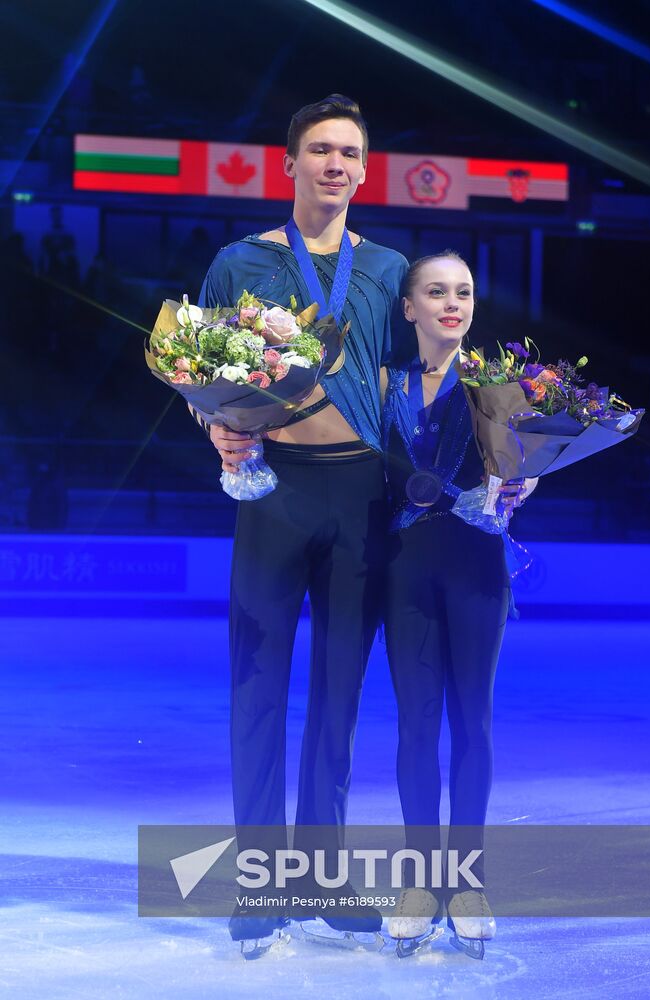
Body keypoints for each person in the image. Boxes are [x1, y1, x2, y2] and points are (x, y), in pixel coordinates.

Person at [194, 94, 408, 950]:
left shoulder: (391, 270)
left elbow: (412, 388)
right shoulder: (239, 262)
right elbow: (196, 371)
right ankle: (259, 884)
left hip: (363, 497)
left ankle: (321, 878)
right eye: (319, 149)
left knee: (338, 698)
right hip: (273, 492)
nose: (333, 164)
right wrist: (212, 428)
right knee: (256, 687)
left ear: (363, 170)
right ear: (289, 162)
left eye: (348, 152)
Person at [381, 252, 536, 958]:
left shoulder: (497, 386)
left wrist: (524, 483)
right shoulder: (382, 383)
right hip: (404, 571)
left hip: (476, 569)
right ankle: (419, 883)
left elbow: (521, 468)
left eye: (464, 292)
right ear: (408, 306)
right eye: (435, 291)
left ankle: (466, 882)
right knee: (415, 725)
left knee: (470, 719)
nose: (452, 302)